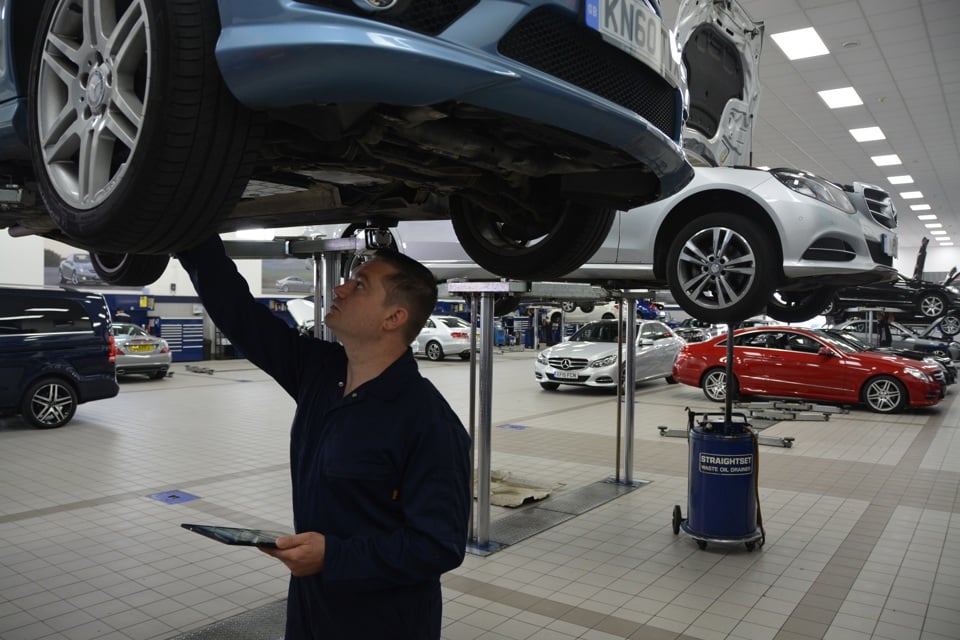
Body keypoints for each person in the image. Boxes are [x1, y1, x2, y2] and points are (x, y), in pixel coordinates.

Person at [177, 236, 471, 639]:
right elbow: (241, 316)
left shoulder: (428, 421)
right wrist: (193, 237)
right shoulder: (321, 373)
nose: (339, 288)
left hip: (385, 624)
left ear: (393, 318)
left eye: (360, 285)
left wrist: (333, 556)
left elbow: (439, 546)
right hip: (311, 611)